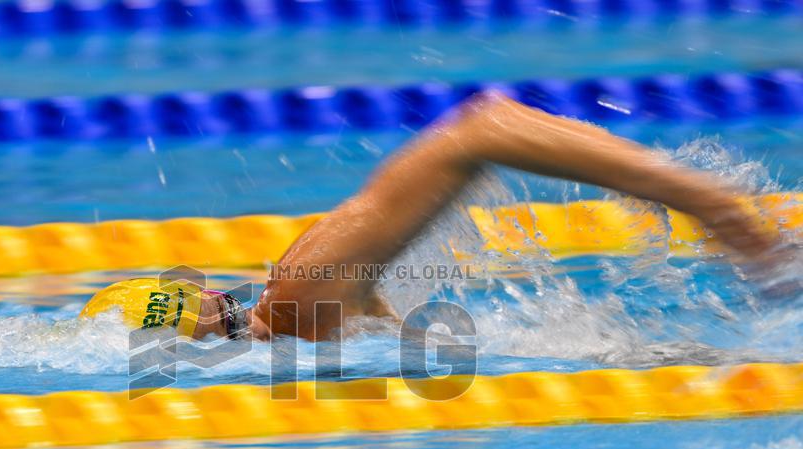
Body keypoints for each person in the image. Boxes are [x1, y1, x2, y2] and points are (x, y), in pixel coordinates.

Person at [80, 92, 784, 342]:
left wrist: (700, 202)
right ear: (208, 300)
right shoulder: (294, 301)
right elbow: (484, 127)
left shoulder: (299, 318)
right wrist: (699, 200)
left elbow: (485, 130)